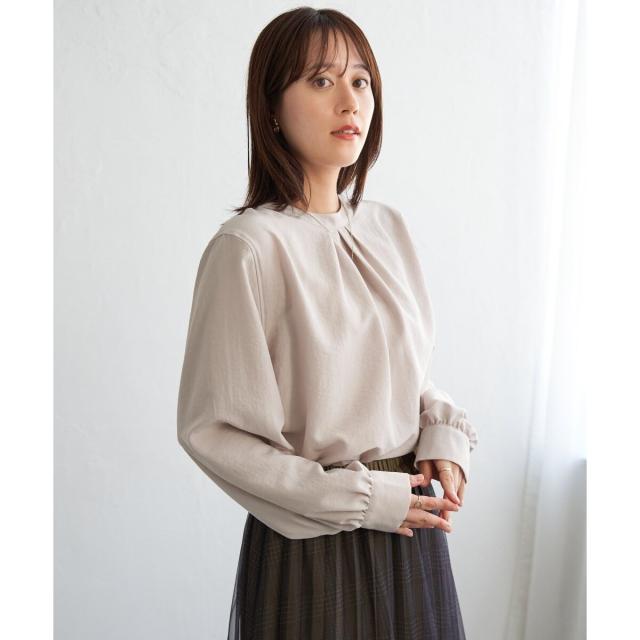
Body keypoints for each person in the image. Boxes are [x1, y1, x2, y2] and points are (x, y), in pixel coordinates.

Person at [177, 7, 478, 639]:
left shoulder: (387, 228)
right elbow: (213, 431)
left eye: (361, 81)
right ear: (271, 108)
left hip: (412, 523)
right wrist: (361, 499)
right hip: (314, 540)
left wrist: (442, 438)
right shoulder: (248, 248)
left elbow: (401, 373)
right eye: (321, 80)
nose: (350, 101)